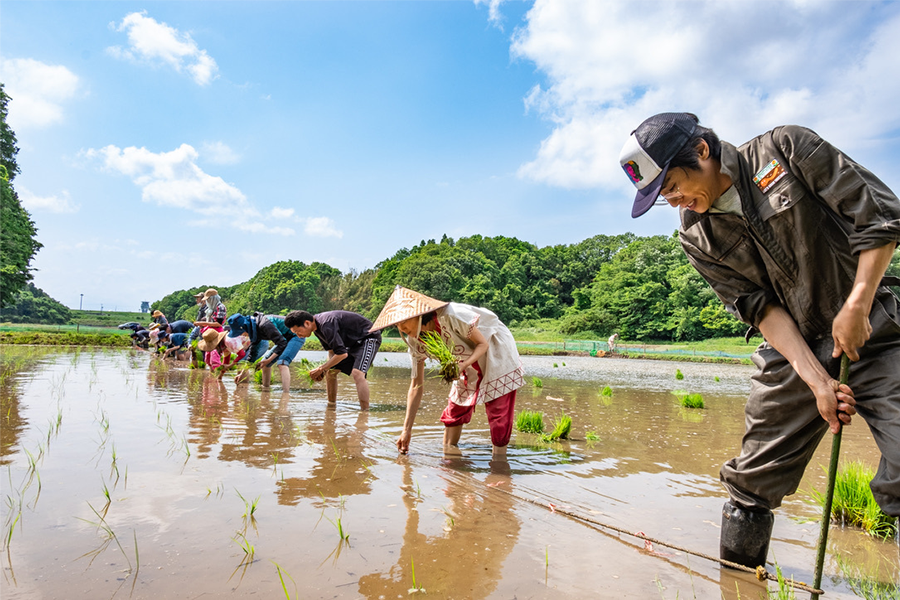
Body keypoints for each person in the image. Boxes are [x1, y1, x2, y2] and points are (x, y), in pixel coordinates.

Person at [619, 112, 900, 568]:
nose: (673, 202)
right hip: (791, 355)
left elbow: (879, 219)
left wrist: (857, 305)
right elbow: (761, 309)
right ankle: (739, 586)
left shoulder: (784, 151)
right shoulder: (696, 235)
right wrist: (817, 382)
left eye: (671, 186)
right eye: (662, 197)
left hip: (876, 331)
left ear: (702, 152)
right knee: (750, 483)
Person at [368, 286, 525, 457]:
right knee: (455, 409)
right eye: (397, 323)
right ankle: (449, 459)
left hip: (495, 350)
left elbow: (483, 344)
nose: (401, 327)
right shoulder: (415, 342)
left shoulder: (451, 315)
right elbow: (416, 386)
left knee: (498, 412)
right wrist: (406, 430)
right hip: (463, 359)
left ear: (418, 314)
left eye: (404, 320)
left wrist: (463, 366)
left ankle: (499, 464)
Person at [284, 309, 381, 410]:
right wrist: (325, 370)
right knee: (331, 373)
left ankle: (364, 412)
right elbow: (332, 352)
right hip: (351, 343)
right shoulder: (317, 329)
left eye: (298, 332)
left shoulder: (326, 324)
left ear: (307, 323)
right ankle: (331, 406)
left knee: (357, 373)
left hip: (368, 338)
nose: (299, 336)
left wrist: (320, 368)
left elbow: (342, 354)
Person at [226, 313, 292, 387]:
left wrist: (269, 360)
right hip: (284, 338)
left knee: (282, 363)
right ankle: (266, 391)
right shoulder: (255, 331)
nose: (241, 335)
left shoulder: (264, 325)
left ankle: (285, 396)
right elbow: (252, 354)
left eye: (240, 333)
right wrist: (241, 374)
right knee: (265, 364)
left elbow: (282, 343)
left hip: (295, 334)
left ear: (245, 327)